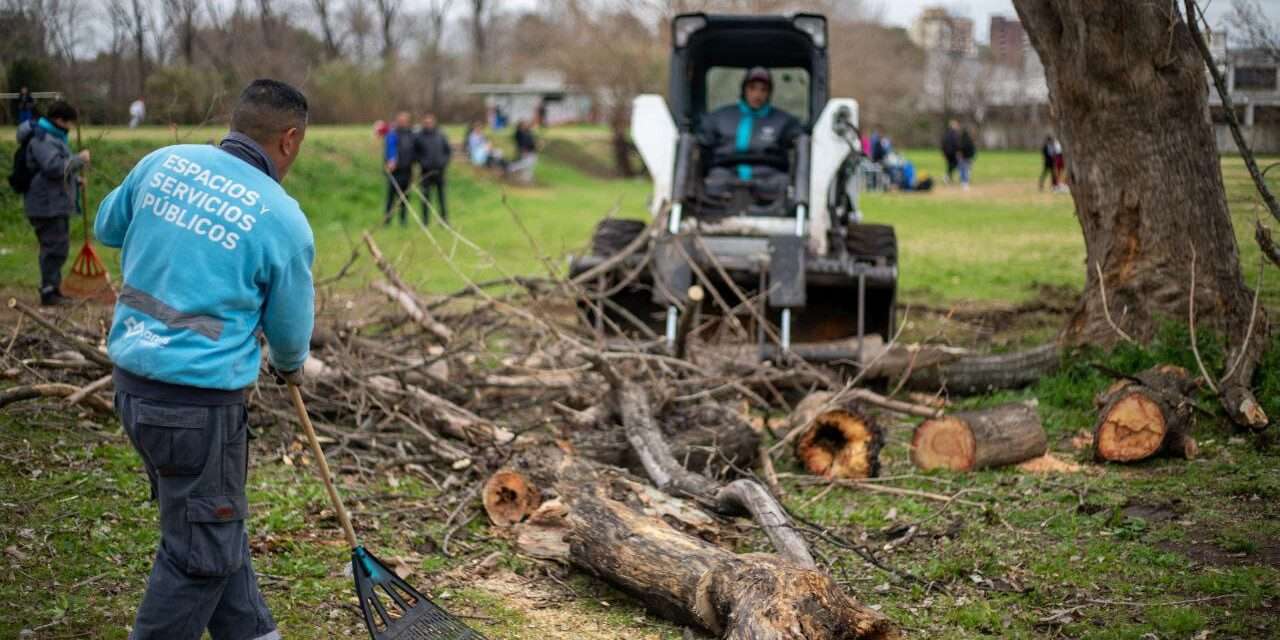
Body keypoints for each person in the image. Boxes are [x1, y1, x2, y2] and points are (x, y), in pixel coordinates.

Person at [93, 78, 313, 640]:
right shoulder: (280, 217)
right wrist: (288, 364)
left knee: (213, 532)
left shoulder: (162, 162)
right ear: (289, 139)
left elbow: (107, 227)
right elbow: (290, 332)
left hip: (133, 388)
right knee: (201, 556)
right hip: (196, 408)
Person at [16, 100, 90, 305]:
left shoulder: (53, 136)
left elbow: (55, 172)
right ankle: (49, 293)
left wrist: (76, 180)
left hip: (54, 203)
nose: (71, 127)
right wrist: (79, 160)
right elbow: (54, 167)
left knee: (58, 246)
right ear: (59, 120)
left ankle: (54, 289)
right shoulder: (43, 138)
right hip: (46, 206)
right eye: (69, 123)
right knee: (54, 248)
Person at [697, 66, 802, 203]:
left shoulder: (784, 122)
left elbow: (799, 144)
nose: (757, 95)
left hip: (768, 174)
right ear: (744, 90)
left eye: (763, 90)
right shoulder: (719, 118)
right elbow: (703, 148)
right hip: (726, 172)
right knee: (714, 181)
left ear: (769, 93)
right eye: (752, 88)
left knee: (783, 182)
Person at [414, 113, 450, 224]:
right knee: (425, 198)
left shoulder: (440, 135)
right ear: (423, 123)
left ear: (434, 123)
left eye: (430, 122)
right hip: (425, 172)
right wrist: (423, 163)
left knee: (441, 198)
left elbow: (447, 151)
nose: (429, 124)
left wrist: (443, 162)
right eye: (426, 122)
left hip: (439, 171)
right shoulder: (419, 137)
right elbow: (415, 153)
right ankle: (425, 221)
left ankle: (444, 220)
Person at [383, 111, 415, 226]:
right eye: (400, 120)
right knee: (390, 199)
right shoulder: (392, 134)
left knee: (404, 199)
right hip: (395, 171)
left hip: (407, 171)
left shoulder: (411, 134)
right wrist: (390, 161)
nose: (402, 122)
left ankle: (403, 221)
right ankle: (387, 221)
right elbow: (389, 149)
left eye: (405, 120)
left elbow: (415, 151)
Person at [941, 120, 960, 184]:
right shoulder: (955, 134)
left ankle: (949, 178)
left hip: (947, 152)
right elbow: (956, 143)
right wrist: (958, 151)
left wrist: (943, 152)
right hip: (952, 152)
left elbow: (943, 143)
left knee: (950, 165)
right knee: (954, 164)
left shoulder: (946, 133)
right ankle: (946, 176)